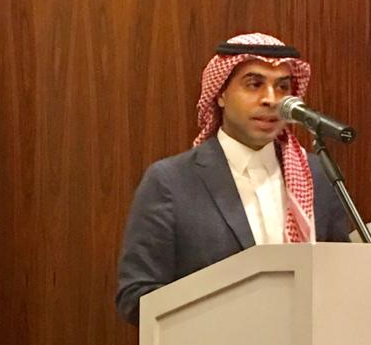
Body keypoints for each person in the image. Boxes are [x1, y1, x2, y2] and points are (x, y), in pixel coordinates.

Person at [116, 32, 352, 324]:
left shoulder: (317, 174)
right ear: (221, 94)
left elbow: (342, 278)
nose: (271, 100)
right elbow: (136, 296)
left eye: (282, 87)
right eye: (254, 84)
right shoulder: (171, 182)